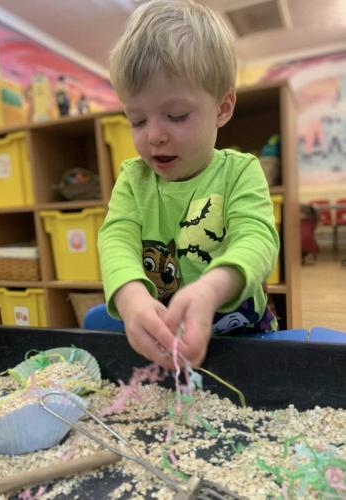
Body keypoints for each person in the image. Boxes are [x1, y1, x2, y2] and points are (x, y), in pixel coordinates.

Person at [98, 0, 279, 369]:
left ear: (223, 107)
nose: (154, 136)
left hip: (244, 335)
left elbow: (257, 239)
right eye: (136, 120)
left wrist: (212, 288)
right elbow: (116, 238)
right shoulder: (134, 180)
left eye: (176, 116)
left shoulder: (241, 171)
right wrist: (130, 296)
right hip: (168, 340)